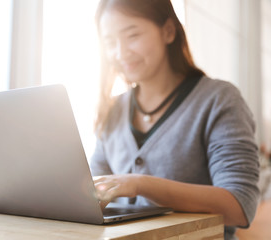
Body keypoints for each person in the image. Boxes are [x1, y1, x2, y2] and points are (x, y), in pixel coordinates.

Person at [89, 0, 260, 239]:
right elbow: (93, 193)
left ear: (168, 31)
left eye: (132, 35)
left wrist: (140, 184)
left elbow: (241, 206)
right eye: (109, 42)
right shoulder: (113, 110)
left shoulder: (218, 99)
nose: (120, 52)